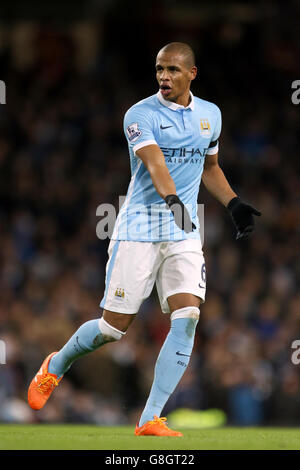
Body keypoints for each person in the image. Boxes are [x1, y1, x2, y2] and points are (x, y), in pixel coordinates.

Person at [28, 42, 261, 436]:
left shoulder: (211, 116)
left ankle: (148, 418)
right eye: (159, 70)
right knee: (112, 328)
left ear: (192, 74)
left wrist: (232, 202)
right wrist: (172, 199)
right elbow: (154, 162)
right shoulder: (140, 114)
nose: (164, 77)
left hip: (183, 230)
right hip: (139, 226)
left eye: (172, 70)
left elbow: (211, 166)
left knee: (187, 316)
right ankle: (55, 365)